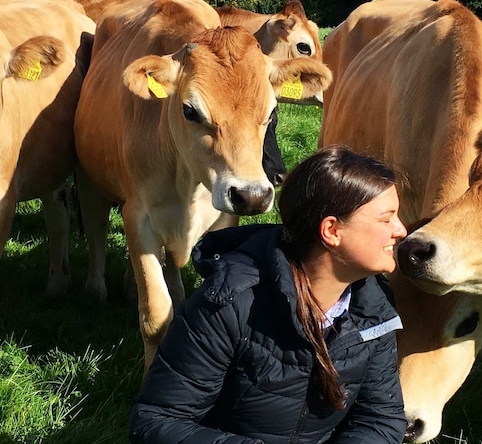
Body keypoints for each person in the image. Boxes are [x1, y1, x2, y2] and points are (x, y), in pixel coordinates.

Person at [129, 145, 409, 443]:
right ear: (331, 231)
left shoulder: (374, 310)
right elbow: (156, 422)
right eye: (386, 218)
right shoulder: (228, 304)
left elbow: (381, 418)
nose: (401, 230)